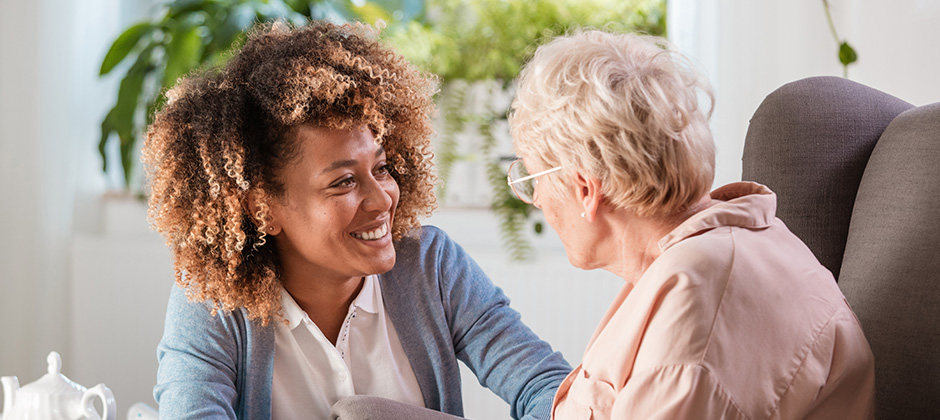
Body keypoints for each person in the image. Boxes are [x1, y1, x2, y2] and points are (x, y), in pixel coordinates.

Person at [143, 20, 570, 420]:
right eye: (343, 182)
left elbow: (552, 391)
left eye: (381, 169)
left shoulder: (431, 267)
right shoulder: (214, 303)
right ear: (262, 209)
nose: (381, 198)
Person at [506, 30, 875, 419]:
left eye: (533, 180)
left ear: (585, 189)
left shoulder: (696, 316)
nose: (537, 200)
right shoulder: (712, 254)